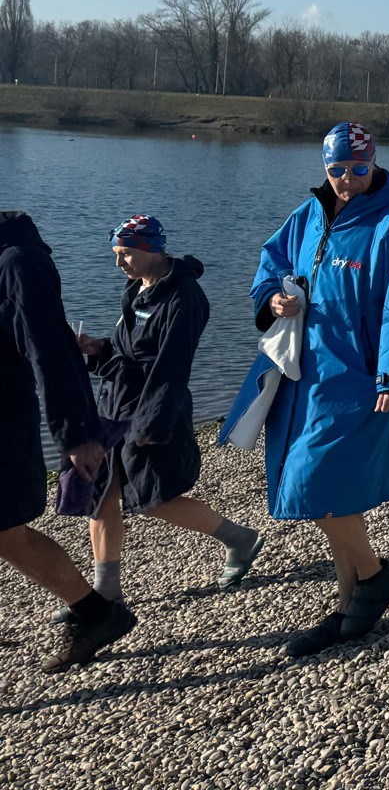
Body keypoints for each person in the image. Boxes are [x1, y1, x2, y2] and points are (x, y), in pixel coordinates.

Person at [248, 121, 389, 658]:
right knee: (334, 494)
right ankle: (348, 603)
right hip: (308, 376)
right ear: (323, 166)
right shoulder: (308, 215)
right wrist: (274, 301)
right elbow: (271, 265)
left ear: (374, 162)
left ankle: (375, 578)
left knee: (318, 482)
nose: (347, 180)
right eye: (336, 170)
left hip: (361, 376)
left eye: (358, 169)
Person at [61, 217, 263, 621]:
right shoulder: (139, 286)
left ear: (153, 248)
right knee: (100, 496)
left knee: (152, 500)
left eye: (126, 255)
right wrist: (96, 350)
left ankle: (238, 537)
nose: (120, 264)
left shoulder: (185, 298)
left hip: (152, 408)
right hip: (114, 405)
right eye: (116, 255)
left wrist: (151, 425)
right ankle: (106, 594)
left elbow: (171, 367)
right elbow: (129, 349)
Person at [0, 208, 135, 672]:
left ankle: (97, 612)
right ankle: (98, 613)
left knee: (6, 532)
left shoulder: (18, 261)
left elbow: (51, 350)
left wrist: (76, 432)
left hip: (5, 416)